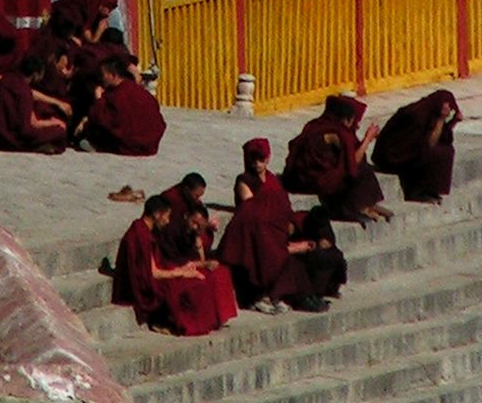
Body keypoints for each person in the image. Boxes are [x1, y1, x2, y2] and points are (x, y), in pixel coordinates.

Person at [217, 139, 329, 314]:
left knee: (315, 220)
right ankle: (273, 296)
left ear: (268, 158)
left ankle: (307, 294)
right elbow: (254, 212)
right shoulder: (244, 180)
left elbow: (283, 206)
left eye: (261, 159)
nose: (257, 164)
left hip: (278, 227)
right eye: (253, 159)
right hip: (258, 231)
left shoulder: (272, 179)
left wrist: (290, 225)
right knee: (275, 255)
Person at [111, 194, 236, 335]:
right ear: (157, 215)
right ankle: (174, 322)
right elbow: (153, 273)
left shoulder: (145, 230)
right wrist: (181, 272)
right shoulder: (140, 235)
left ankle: (210, 319)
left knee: (211, 275)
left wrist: (185, 267)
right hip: (146, 284)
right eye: (166, 216)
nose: (168, 221)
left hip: (158, 272)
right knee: (193, 284)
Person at [282, 95, 393, 225]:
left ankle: (368, 205)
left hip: (296, 177)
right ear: (346, 120)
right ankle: (358, 207)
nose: (356, 125)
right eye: (354, 121)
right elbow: (353, 161)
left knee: (350, 169)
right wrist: (367, 139)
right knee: (360, 171)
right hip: (313, 179)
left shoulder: (316, 124)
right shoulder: (338, 133)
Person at [372, 89, 462, 204]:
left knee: (446, 150)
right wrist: (441, 119)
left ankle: (431, 189)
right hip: (392, 155)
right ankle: (416, 191)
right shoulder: (416, 114)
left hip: (407, 150)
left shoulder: (431, 111)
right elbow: (430, 143)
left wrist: (454, 121)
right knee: (433, 153)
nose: (449, 110)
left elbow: (442, 136)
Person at [0, 55, 68, 154]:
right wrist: (54, 123)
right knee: (59, 132)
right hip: (8, 139)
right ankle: (39, 145)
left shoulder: (4, 80)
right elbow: (26, 129)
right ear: (36, 74)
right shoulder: (23, 90)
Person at [76, 57, 166, 156]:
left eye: (104, 74)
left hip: (130, 145)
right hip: (150, 145)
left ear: (113, 75)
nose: (101, 78)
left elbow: (105, 120)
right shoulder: (140, 91)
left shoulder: (117, 95)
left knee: (92, 132)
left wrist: (98, 99)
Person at [157, 172, 218, 259]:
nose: (198, 200)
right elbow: (173, 227)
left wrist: (207, 224)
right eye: (196, 196)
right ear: (186, 189)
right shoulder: (171, 199)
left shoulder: (188, 198)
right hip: (172, 238)